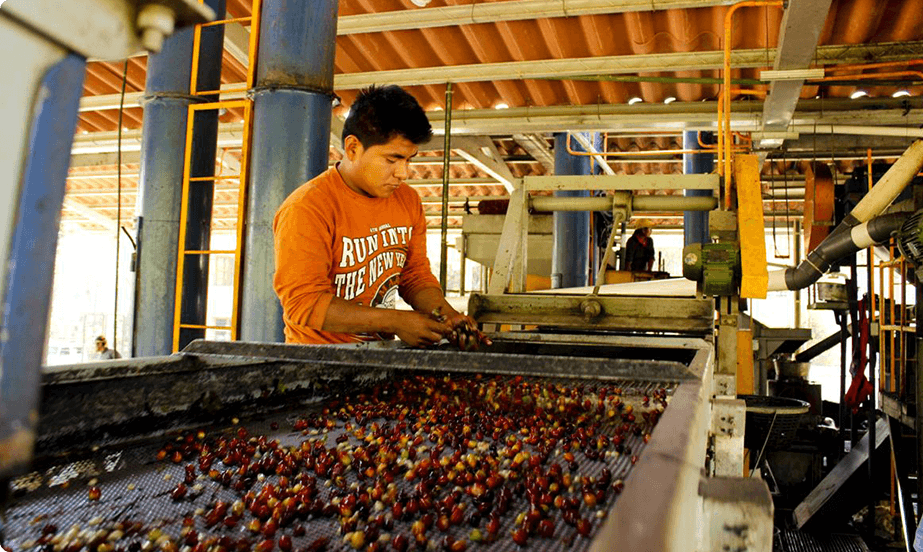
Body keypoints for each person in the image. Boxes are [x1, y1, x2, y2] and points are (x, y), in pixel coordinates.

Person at [273, 84, 490, 349]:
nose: (403, 173)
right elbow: (304, 303)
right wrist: (396, 322)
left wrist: (447, 316)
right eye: (392, 159)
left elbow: (414, 275)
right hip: (318, 359)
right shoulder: (308, 208)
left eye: (409, 160)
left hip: (378, 354)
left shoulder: (407, 201)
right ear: (353, 148)